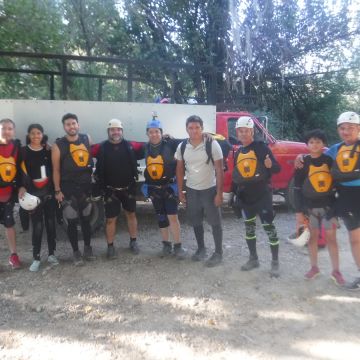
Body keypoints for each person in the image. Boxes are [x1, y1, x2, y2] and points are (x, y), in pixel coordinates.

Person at [293, 129, 344, 285]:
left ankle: (336, 271)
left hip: (329, 207)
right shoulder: (302, 163)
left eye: (318, 142)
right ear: (307, 145)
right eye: (311, 142)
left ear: (324, 144)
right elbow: (297, 188)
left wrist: (338, 205)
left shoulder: (329, 161)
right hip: (310, 208)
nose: (315, 145)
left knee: (331, 239)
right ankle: (314, 267)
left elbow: (337, 182)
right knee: (312, 239)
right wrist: (299, 211)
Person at [232, 116, 281, 277]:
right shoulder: (238, 151)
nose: (243, 134)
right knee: (249, 229)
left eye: (246, 131)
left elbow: (276, 168)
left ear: (252, 131)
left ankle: (275, 262)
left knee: (269, 227)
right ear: (237, 132)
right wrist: (234, 196)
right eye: (241, 131)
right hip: (246, 197)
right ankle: (253, 259)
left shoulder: (261, 147)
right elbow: (237, 175)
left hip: (262, 195)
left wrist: (270, 165)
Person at [175, 115, 224, 267]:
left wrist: (219, 193)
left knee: (215, 222)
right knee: (196, 221)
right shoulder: (182, 146)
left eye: (197, 127)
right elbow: (179, 170)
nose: (194, 131)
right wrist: (180, 191)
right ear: (186, 129)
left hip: (209, 190)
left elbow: (219, 170)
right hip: (192, 190)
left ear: (202, 128)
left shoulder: (212, 144)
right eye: (191, 128)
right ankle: (201, 249)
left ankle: (218, 253)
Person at [52, 113, 96, 265]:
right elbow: (56, 170)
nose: (71, 126)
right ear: (64, 127)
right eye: (68, 124)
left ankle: (88, 248)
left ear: (78, 125)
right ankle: (76, 253)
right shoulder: (58, 145)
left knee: (86, 220)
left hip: (85, 187)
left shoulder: (87, 139)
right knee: (71, 221)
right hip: (68, 188)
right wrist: (57, 190)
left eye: (73, 123)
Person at [93, 119, 140, 259]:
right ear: (108, 132)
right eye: (112, 130)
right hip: (110, 190)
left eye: (118, 129)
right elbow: (81, 148)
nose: (116, 132)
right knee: (110, 220)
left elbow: (152, 143)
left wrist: (168, 137)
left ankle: (133, 242)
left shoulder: (130, 146)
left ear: (122, 131)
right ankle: (110, 246)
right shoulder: (101, 147)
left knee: (131, 215)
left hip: (128, 188)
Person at [141, 118, 186, 259]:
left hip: (169, 188)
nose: (154, 134)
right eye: (151, 132)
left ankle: (178, 246)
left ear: (161, 132)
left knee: (172, 216)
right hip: (154, 189)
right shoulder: (145, 147)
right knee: (161, 217)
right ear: (147, 134)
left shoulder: (171, 143)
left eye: (157, 132)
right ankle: (166, 244)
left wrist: (205, 135)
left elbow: (189, 141)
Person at [18, 124, 58, 272]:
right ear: (28, 135)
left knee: (50, 224)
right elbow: (19, 172)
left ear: (42, 134)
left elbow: (55, 169)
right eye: (33, 133)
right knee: (37, 227)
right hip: (33, 197)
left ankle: (52, 254)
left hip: (48, 195)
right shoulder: (23, 151)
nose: (36, 136)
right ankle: (36, 257)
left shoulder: (48, 150)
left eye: (39, 133)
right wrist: (21, 186)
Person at [327, 112, 360, 290]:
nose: (346, 131)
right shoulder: (335, 149)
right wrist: (301, 158)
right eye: (342, 128)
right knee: (355, 239)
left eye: (351, 128)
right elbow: (317, 157)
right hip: (348, 196)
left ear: (358, 129)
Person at [0, 118, 21, 269]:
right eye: (3, 128)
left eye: (9, 128)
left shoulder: (18, 147)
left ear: (13, 131)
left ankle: (14, 256)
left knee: (9, 224)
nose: (6, 131)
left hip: (8, 194)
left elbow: (22, 170)